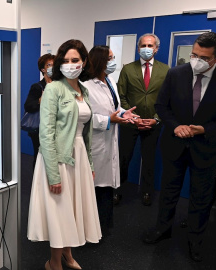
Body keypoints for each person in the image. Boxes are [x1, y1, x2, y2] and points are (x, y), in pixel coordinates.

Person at [145, 32, 216, 262]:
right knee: (169, 192)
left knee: (201, 198)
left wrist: (205, 129)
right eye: (194, 54)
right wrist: (175, 126)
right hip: (175, 144)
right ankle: (162, 229)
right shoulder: (176, 73)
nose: (196, 60)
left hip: (207, 147)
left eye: (203, 57)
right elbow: (162, 106)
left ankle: (195, 240)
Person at [27, 39, 101, 270]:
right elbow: (46, 134)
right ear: (60, 63)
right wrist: (53, 174)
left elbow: (86, 133)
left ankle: (68, 255)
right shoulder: (53, 89)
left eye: (75, 60)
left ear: (84, 62)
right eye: (66, 60)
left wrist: (88, 163)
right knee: (59, 211)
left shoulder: (84, 90)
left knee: (72, 208)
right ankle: (54, 262)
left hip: (78, 156)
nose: (71, 64)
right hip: (57, 158)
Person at [82, 45, 138, 232]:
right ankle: (89, 229)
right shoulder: (85, 85)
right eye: (110, 58)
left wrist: (124, 114)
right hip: (95, 143)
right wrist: (109, 120)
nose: (113, 62)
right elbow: (83, 117)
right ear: (98, 61)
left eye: (113, 57)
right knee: (93, 189)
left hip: (109, 140)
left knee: (105, 188)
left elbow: (114, 107)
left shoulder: (110, 81)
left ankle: (103, 227)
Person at [117, 33, 169, 206]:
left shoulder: (165, 70)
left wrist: (156, 118)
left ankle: (147, 192)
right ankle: (117, 190)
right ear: (138, 48)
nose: (146, 49)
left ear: (156, 49)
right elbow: (121, 96)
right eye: (143, 45)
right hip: (130, 122)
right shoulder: (128, 69)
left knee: (149, 160)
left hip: (153, 123)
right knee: (124, 158)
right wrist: (131, 116)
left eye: (150, 46)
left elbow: (168, 98)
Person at [24, 53, 55, 169]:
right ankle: (36, 185)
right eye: (49, 65)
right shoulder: (37, 87)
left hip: (54, 128)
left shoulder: (61, 85)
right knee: (40, 157)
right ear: (43, 69)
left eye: (55, 64)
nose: (53, 67)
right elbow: (28, 106)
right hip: (39, 129)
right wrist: (39, 101)